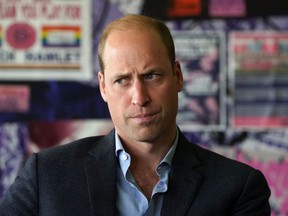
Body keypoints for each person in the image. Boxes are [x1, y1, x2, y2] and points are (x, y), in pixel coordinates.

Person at [0, 14, 270, 216]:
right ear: (103, 87)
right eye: (122, 81)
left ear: (177, 76)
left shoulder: (238, 188)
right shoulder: (46, 174)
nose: (140, 97)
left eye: (151, 76)